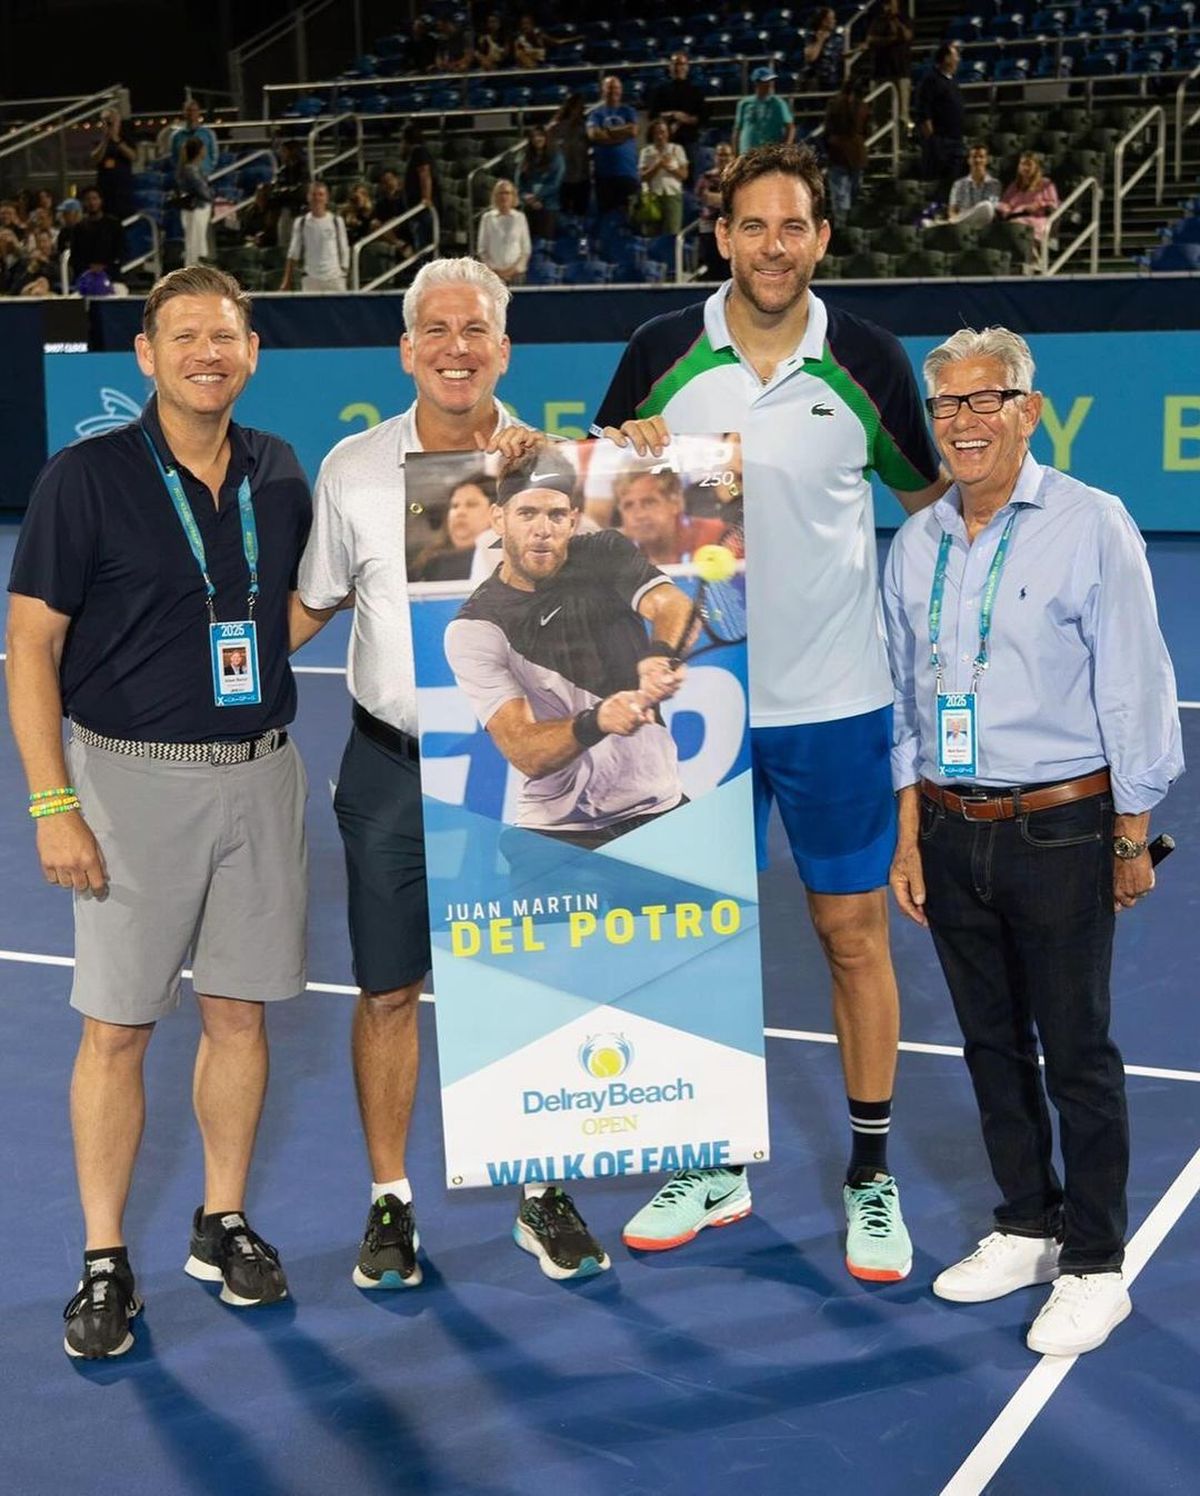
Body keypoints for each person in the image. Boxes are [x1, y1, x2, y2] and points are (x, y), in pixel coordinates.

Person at [592, 143, 946, 1273]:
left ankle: (871, 1173)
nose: (774, 247)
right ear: (721, 236)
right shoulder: (659, 352)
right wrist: (619, 457)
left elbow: (932, 509)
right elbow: (593, 502)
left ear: (822, 239)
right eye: (753, 226)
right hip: (700, 705)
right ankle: (714, 1159)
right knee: (701, 938)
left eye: (794, 226)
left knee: (852, 934)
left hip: (837, 706)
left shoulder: (869, 360)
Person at [6, 264, 312, 1360]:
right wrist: (54, 802)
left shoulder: (281, 469)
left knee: (240, 1016)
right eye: (183, 337)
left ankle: (221, 1221)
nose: (205, 355)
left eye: (224, 336)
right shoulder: (84, 477)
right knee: (117, 1027)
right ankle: (103, 1258)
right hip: (128, 786)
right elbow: (31, 647)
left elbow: (282, 613)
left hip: (261, 774)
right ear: (146, 355)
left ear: (252, 352)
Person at [290, 257, 612, 1286]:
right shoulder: (352, 468)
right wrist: (179, 670)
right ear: (405, 350)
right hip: (390, 767)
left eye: (475, 330)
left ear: (504, 350)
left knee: (528, 978)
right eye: (435, 329)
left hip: (522, 775)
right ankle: (390, 1200)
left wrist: (624, 460)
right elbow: (310, 604)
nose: (456, 348)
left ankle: (539, 1187)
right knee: (388, 990)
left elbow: (627, 591)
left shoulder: (564, 467)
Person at [884, 326, 1183, 1356]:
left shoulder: (1091, 523)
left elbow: (1135, 680)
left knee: (1078, 1053)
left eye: (986, 400)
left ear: (1029, 410)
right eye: (948, 404)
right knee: (988, 1042)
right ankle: (1027, 1222)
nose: (964, 422)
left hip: (1061, 825)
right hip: (949, 823)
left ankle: (1096, 1262)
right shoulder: (916, 542)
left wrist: (1131, 833)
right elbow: (905, 696)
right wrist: (909, 832)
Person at [445, 449, 692, 844]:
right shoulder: (475, 627)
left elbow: (672, 606)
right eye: (527, 514)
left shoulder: (604, 552)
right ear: (498, 519)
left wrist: (660, 654)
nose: (543, 530)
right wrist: (598, 720)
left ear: (573, 520)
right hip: (558, 830)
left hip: (660, 807)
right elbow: (524, 751)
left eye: (556, 515)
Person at [613, 467, 727, 564]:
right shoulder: (616, 552)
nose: (639, 515)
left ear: (676, 504)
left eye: (649, 503)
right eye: (628, 506)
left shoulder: (719, 537)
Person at [412, 472, 497, 581]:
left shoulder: (506, 562)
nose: (459, 512)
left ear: (497, 514)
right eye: (455, 506)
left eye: (471, 504)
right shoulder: (430, 564)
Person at [914, 42, 966, 198]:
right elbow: (924, 111)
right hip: (941, 140)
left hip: (955, 138)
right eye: (955, 56)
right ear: (946, 58)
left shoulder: (952, 81)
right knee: (939, 183)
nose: (958, 60)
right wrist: (932, 140)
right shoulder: (931, 80)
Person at [648, 52, 710, 182]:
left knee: (691, 180)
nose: (678, 67)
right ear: (670, 67)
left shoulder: (695, 91)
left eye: (681, 64)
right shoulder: (660, 90)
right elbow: (653, 115)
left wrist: (683, 119)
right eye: (675, 64)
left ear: (687, 67)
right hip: (666, 143)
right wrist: (672, 115)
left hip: (690, 142)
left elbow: (702, 118)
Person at [281, 180, 350, 293]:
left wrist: (343, 272)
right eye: (314, 194)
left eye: (321, 194)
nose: (317, 198)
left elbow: (344, 249)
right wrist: (286, 281)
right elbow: (293, 253)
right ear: (308, 197)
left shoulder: (337, 221)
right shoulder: (301, 222)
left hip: (335, 278)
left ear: (326, 198)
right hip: (311, 279)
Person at [587, 75, 640, 218]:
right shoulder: (596, 114)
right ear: (603, 90)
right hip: (604, 175)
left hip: (627, 173)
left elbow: (633, 131)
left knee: (631, 217)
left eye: (616, 88)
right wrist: (621, 134)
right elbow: (593, 135)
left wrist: (607, 132)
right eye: (609, 88)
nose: (613, 91)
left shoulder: (628, 111)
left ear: (621, 90)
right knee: (606, 219)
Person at [823, 74, 870, 219]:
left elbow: (827, 129)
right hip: (857, 152)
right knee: (854, 190)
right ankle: (852, 220)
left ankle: (842, 223)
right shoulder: (863, 107)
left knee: (840, 193)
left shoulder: (834, 105)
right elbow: (867, 130)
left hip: (837, 151)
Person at [996, 152, 1059, 260]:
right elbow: (1003, 202)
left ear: (1036, 166)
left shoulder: (1045, 184)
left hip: (1036, 219)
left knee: (1018, 227)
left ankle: (1034, 259)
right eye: (1022, 164)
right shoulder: (1014, 185)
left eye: (1029, 164)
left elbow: (1054, 203)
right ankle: (1033, 259)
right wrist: (1005, 208)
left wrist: (1039, 205)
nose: (1025, 167)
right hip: (1016, 217)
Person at [865, 0, 913, 124]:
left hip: (900, 71)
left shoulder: (904, 19)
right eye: (887, 3)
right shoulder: (878, 21)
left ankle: (902, 135)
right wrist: (892, 40)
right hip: (880, 72)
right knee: (879, 112)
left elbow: (906, 36)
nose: (889, 6)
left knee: (903, 113)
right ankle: (882, 136)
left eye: (891, 3)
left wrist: (895, 21)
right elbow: (870, 40)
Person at [638, 118, 688, 236]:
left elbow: (684, 175)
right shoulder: (646, 152)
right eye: (657, 133)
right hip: (652, 196)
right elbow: (643, 177)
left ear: (668, 133)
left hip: (672, 194)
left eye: (663, 132)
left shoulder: (677, 149)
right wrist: (657, 165)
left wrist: (668, 167)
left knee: (672, 232)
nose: (660, 136)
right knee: (652, 233)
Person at [476, 179, 531, 284]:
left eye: (507, 193)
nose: (504, 196)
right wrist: (495, 271)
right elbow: (482, 249)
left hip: (516, 275)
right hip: (492, 275)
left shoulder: (520, 217)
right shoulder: (487, 218)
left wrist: (512, 270)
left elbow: (526, 249)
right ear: (495, 196)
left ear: (513, 196)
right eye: (501, 193)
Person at [67, 186, 124, 286]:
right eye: (88, 199)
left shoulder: (113, 224)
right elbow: (75, 255)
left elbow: (121, 250)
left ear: (101, 201)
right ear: (83, 203)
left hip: (111, 275)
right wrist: (90, 268)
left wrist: (104, 267)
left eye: (95, 199)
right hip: (85, 277)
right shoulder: (79, 228)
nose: (92, 203)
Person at [516, 123, 564, 239]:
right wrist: (525, 196)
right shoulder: (524, 157)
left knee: (546, 243)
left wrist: (537, 197)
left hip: (549, 206)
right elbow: (519, 181)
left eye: (540, 135)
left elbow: (555, 183)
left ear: (546, 137)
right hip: (528, 206)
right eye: (534, 136)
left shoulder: (557, 157)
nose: (537, 139)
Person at [734, 67, 795, 157]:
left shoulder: (778, 103)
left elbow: (790, 127)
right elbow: (737, 129)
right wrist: (735, 153)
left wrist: (785, 149)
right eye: (766, 81)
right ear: (756, 83)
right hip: (747, 151)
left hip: (770, 153)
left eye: (771, 81)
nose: (770, 84)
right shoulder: (744, 103)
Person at [695, 141, 734, 279]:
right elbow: (704, 197)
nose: (723, 158)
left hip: (731, 229)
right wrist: (726, 199)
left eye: (726, 155)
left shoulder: (739, 178)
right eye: (720, 155)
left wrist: (718, 198)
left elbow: (738, 199)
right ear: (715, 157)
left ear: (732, 157)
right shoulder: (706, 177)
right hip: (709, 228)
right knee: (711, 268)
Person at [549, 94, 591, 218]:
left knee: (582, 214)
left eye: (581, 108)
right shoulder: (556, 128)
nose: (578, 111)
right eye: (576, 107)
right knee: (563, 215)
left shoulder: (585, 127)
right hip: (563, 179)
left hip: (582, 177)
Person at [91, 104, 136, 221]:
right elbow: (95, 159)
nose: (110, 124)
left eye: (112, 121)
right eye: (106, 121)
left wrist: (116, 140)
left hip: (123, 189)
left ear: (118, 123)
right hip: (105, 189)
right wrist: (106, 139)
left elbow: (133, 156)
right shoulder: (99, 142)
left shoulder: (126, 139)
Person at [176, 136, 214, 268]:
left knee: (196, 242)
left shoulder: (194, 168)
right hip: (196, 209)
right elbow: (202, 190)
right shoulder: (190, 170)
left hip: (199, 209)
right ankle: (194, 270)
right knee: (195, 244)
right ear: (200, 151)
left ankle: (197, 267)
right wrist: (211, 195)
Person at [403, 123, 441, 253]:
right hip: (417, 210)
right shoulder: (417, 153)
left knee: (425, 246)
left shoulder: (419, 152)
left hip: (422, 211)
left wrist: (426, 198)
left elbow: (424, 173)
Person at [947, 142, 1001, 228]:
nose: (977, 160)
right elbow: (952, 210)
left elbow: (992, 210)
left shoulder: (995, 184)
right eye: (974, 157)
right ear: (969, 160)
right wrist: (955, 220)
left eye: (981, 157)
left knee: (987, 206)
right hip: (962, 226)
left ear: (987, 160)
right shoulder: (958, 184)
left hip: (984, 226)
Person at [169, 98, 218, 177]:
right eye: (188, 110)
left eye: (194, 110)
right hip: (184, 176)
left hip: (205, 174)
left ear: (199, 112)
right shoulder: (176, 136)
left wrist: (209, 170)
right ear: (184, 112)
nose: (191, 113)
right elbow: (173, 156)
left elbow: (214, 155)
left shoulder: (208, 134)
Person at [801, 7, 845, 93]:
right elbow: (811, 57)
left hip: (832, 80)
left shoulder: (836, 38)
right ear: (824, 21)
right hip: (815, 80)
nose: (834, 21)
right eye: (832, 18)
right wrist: (820, 40)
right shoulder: (811, 35)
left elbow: (840, 55)